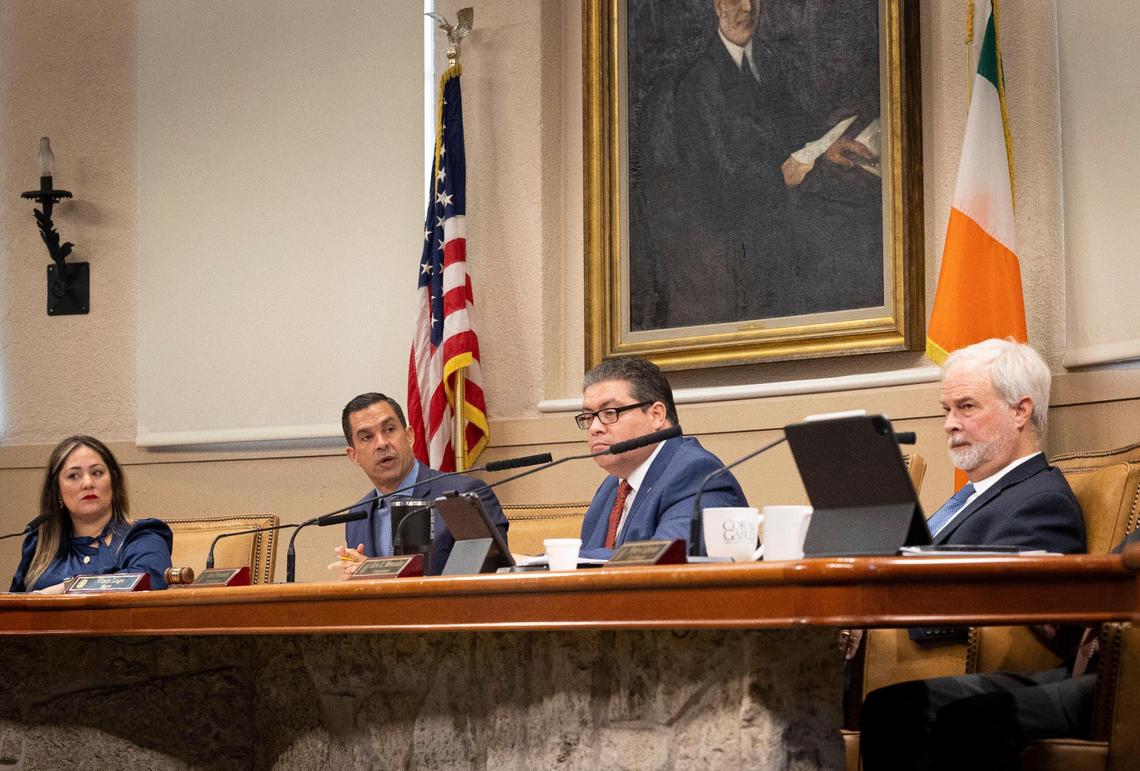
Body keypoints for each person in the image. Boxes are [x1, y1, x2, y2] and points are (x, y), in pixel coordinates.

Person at [860, 528, 1140, 771]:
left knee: (971, 719)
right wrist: (1054, 597)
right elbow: (1107, 575)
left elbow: (1120, 583)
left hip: (1125, 684)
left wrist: (1081, 599)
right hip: (1081, 668)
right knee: (891, 706)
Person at [576, 356, 747, 560]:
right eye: (588, 417)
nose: (595, 428)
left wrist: (561, 559)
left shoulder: (696, 473)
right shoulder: (611, 486)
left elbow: (666, 558)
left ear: (656, 415)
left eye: (610, 412)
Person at [928, 338, 1085, 552]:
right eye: (947, 410)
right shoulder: (971, 496)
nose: (950, 424)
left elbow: (996, 586)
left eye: (966, 406)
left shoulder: (1042, 507)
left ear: (1020, 411)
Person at [329, 393, 507, 577]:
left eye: (389, 429)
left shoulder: (464, 496)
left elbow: (475, 582)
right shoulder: (358, 516)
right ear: (354, 455)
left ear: (409, 436)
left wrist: (375, 572)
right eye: (367, 437)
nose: (382, 443)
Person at [10, 435, 173, 593]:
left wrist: (67, 588)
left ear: (114, 482)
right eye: (73, 476)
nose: (87, 483)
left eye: (97, 473)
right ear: (57, 492)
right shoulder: (39, 546)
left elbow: (147, 580)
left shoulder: (142, 536)